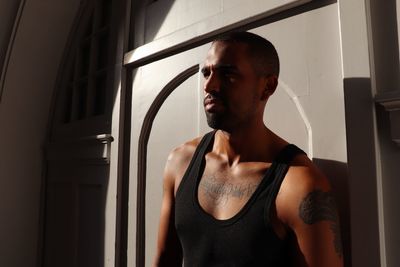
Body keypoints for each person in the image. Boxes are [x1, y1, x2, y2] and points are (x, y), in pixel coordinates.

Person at [153, 31, 343, 267]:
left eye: (228, 74)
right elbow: (164, 260)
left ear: (267, 86)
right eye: (206, 73)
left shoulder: (298, 184)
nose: (209, 85)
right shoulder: (180, 161)